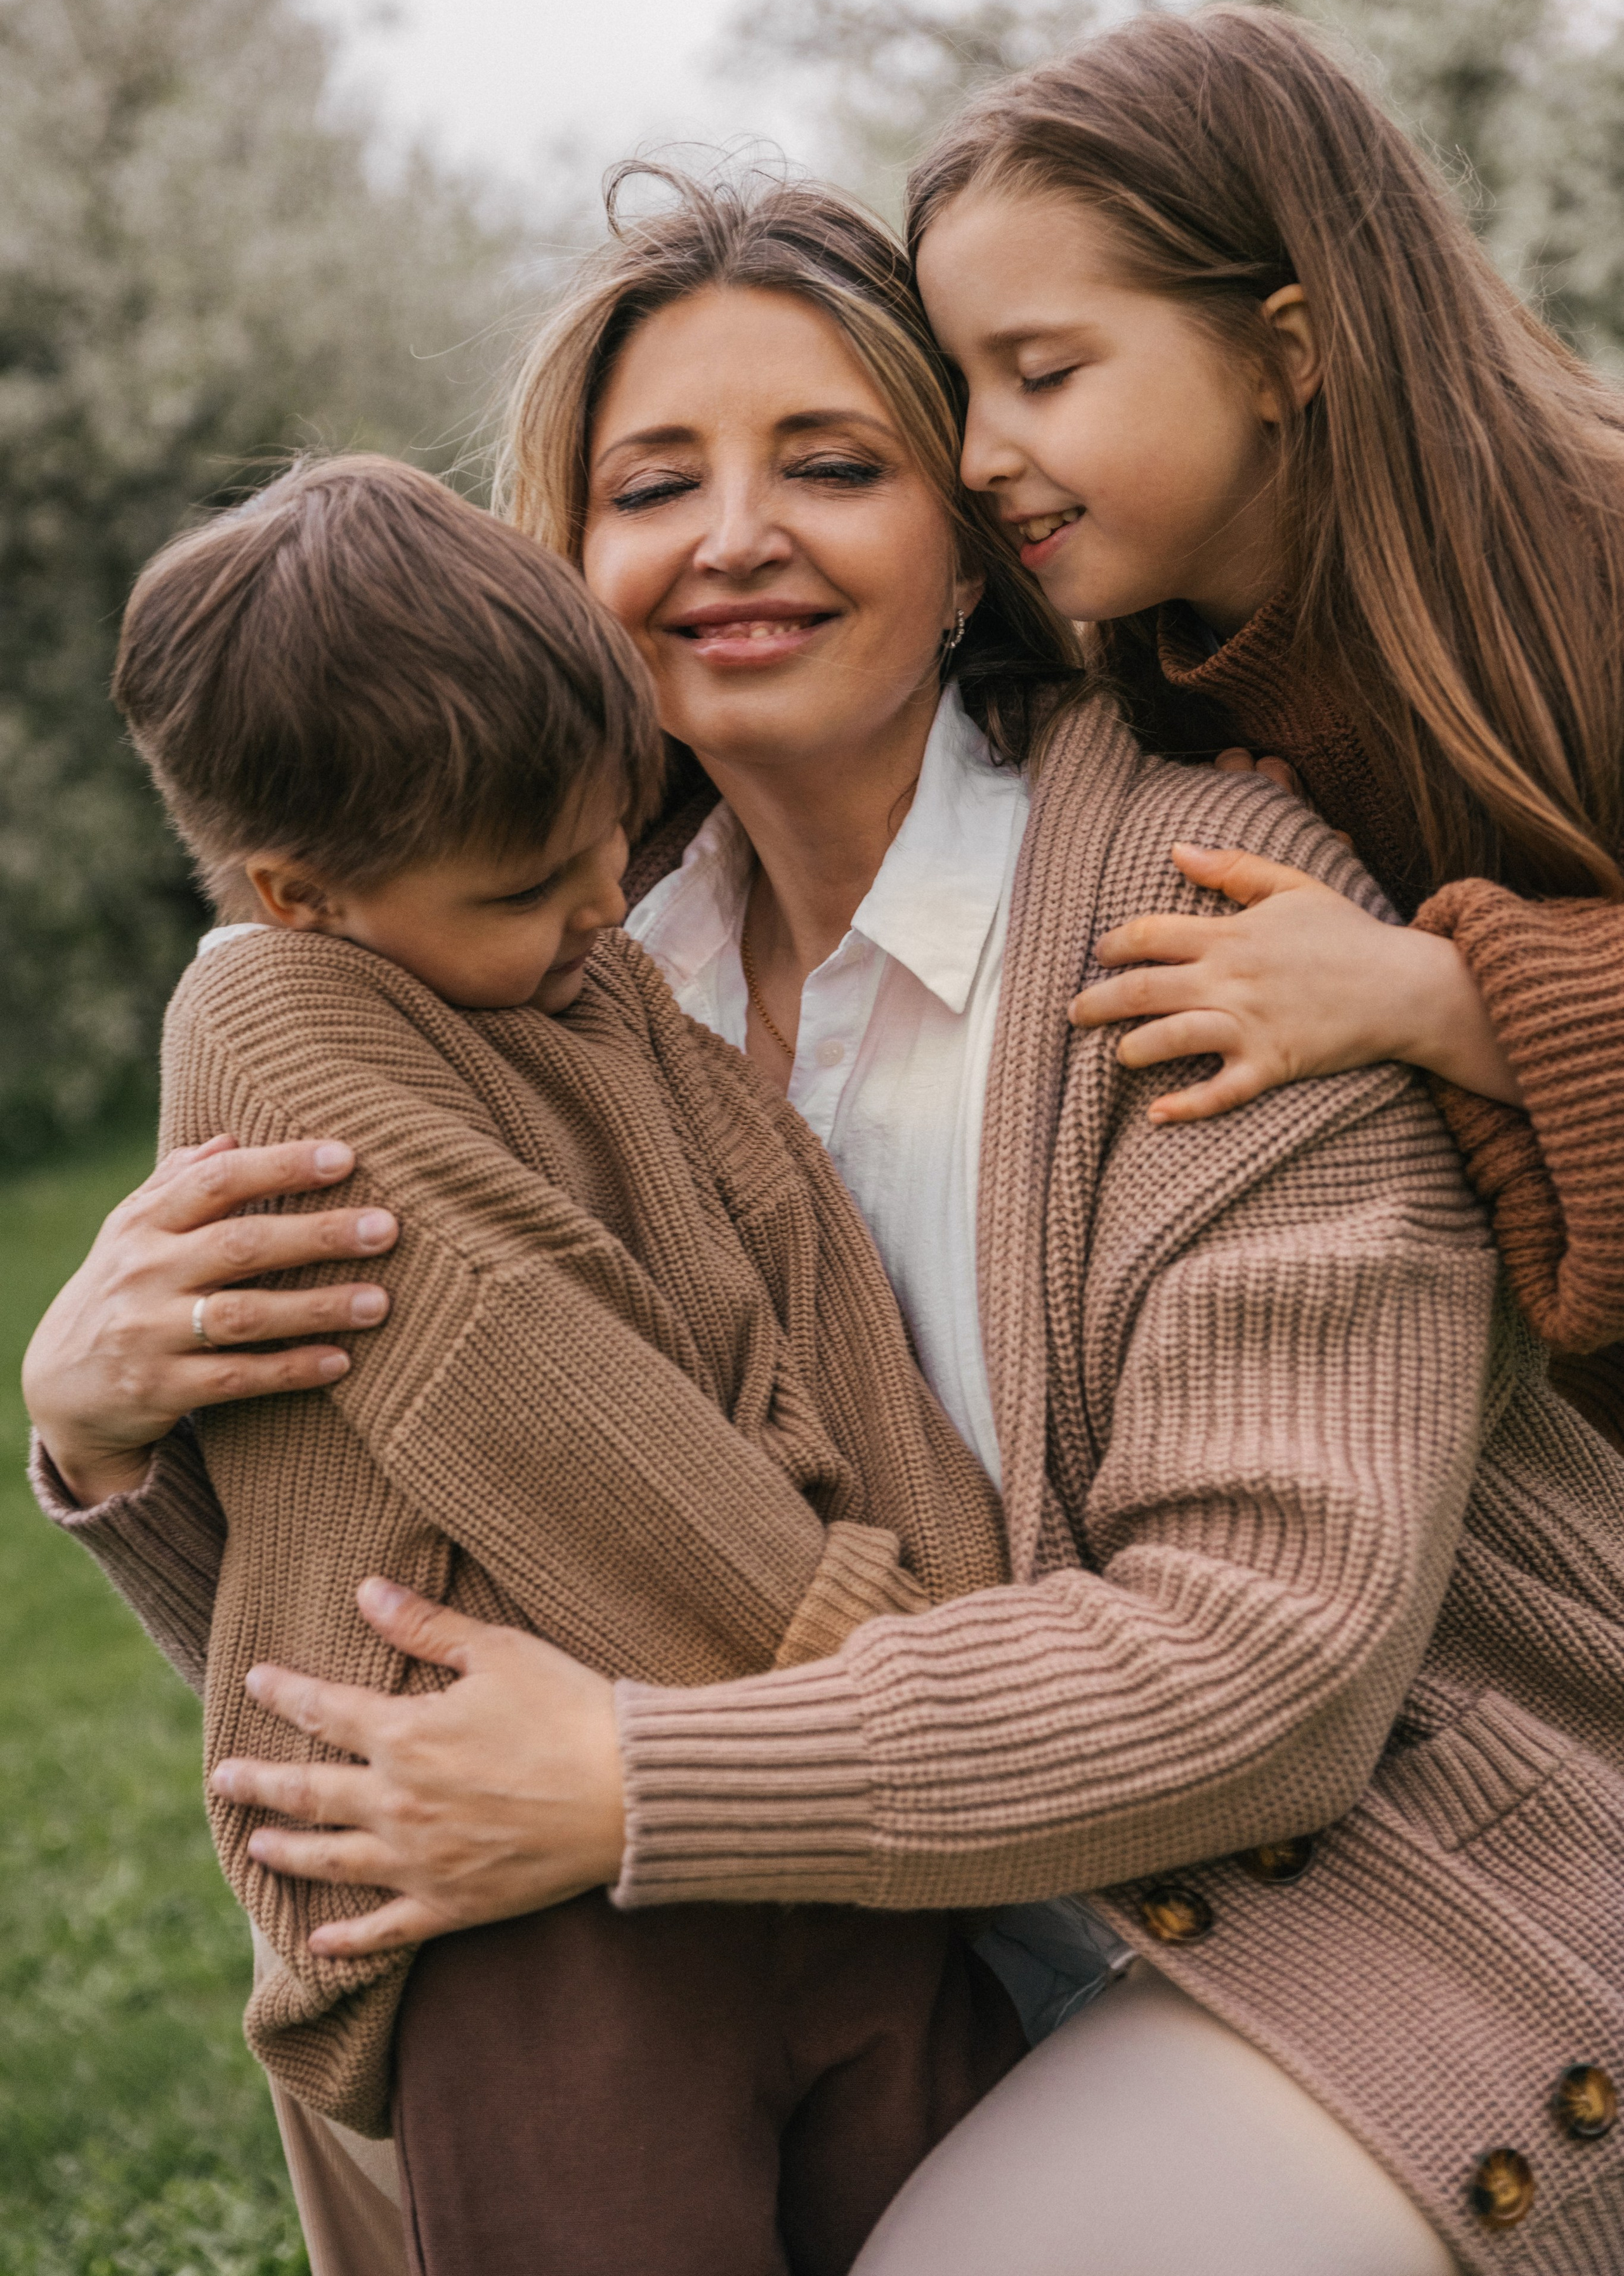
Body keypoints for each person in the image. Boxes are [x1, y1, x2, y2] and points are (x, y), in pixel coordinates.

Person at [25, 117, 1623, 2276]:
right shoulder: (505, 993)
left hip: (1360, 1903)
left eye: (838, 466)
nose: (738, 539)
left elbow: (1279, 1665)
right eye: (653, 485)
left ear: (969, 548)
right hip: (844, 1946)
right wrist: (116, 1441)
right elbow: (382, 1600)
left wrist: (642, 1783)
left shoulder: (1209, 921)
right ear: (555, 571)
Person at [77, 449, 1022, 2276]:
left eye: (617, 830)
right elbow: (528, 1396)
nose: (605, 899)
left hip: (797, 1815)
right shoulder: (274, 1023)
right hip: (532, 1895)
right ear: (304, 894)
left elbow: (814, 1268)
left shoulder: (603, 993)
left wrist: (946, 1627)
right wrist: (864, 1658)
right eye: (532, 883)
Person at [904, 5, 1624, 1449]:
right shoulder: (1129, 691)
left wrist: (1429, 998)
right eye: (957, 392)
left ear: (1277, 352)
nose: (981, 458)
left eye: (1042, 375)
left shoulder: (1591, 563)